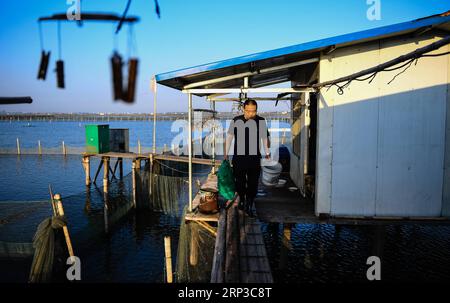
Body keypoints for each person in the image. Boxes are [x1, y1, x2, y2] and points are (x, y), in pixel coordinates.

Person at [224, 99, 271, 217]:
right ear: (243, 109)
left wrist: (267, 151)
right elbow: (229, 138)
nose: (251, 114)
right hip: (239, 158)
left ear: (256, 110)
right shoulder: (236, 120)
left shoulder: (261, 121)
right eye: (248, 111)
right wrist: (225, 154)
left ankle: (249, 204)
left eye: (253, 111)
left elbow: (265, 138)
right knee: (239, 182)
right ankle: (242, 200)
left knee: (253, 183)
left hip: (254, 158)